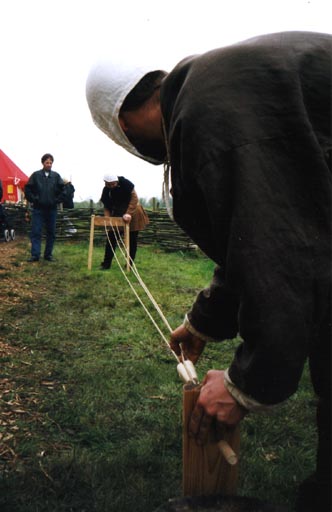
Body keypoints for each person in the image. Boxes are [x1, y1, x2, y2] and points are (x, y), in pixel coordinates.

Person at [86, 32, 331, 511]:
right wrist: (204, 322)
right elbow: (259, 230)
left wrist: (245, 385)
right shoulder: (215, 88)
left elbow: (281, 249)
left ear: (121, 124)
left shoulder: (206, 111)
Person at [100, 174, 149, 270]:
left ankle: (129, 265)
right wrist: (107, 218)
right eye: (108, 184)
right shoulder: (106, 190)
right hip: (118, 213)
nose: (110, 186)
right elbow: (106, 205)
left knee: (131, 240)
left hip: (133, 212)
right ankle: (106, 264)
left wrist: (128, 213)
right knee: (111, 238)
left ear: (116, 181)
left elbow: (134, 199)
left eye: (112, 184)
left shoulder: (126, 184)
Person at [24, 153, 65, 262]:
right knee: (36, 231)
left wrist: (56, 200)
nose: (49, 164)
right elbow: (27, 189)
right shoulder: (36, 175)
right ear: (43, 163)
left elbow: (63, 191)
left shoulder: (56, 176)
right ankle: (35, 255)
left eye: (51, 162)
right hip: (38, 209)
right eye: (47, 162)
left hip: (52, 209)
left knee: (51, 232)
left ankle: (48, 255)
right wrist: (34, 199)